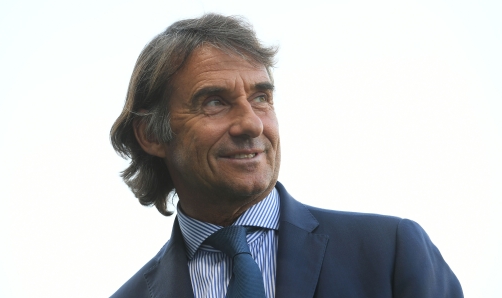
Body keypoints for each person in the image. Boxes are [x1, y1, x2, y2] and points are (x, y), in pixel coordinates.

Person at [109, 13, 463, 298]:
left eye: (261, 98)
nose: (251, 124)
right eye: (215, 102)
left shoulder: (391, 253)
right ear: (152, 135)